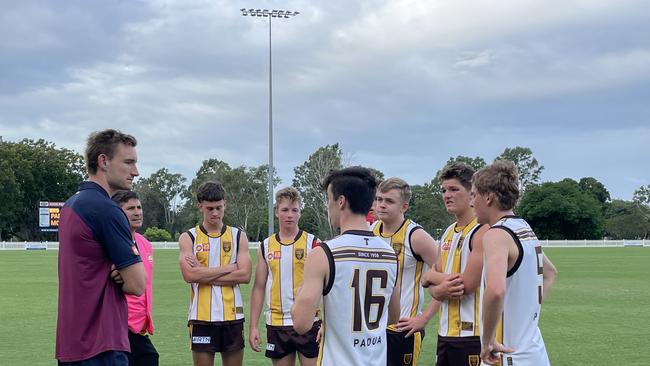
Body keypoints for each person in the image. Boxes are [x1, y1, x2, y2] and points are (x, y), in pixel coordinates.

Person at [291, 166, 401, 366]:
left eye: (328, 199)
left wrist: (300, 293)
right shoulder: (390, 253)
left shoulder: (324, 253)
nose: (328, 207)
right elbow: (393, 316)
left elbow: (301, 323)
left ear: (340, 201)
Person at [56, 129, 146, 365]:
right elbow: (137, 284)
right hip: (102, 344)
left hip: (70, 343)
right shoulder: (106, 209)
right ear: (103, 161)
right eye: (128, 162)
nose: (135, 171)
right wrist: (122, 273)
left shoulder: (70, 206)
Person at [471, 161, 557, 366]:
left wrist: (488, 339)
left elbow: (496, 290)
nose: (471, 202)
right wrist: (527, 314)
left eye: (474, 195)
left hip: (507, 356)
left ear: (488, 197)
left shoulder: (496, 235)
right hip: (534, 352)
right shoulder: (524, 227)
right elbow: (551, 272)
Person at [421, 163, 488, 366]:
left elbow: (465, 286)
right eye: (443, 190)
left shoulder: (482, 230)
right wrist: (437, 285)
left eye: (454, 189)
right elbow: (428, 280)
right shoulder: (449, 231)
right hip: (445, 333)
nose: (446, 195)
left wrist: (433, 279)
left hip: (473, 334)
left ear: (472, 194)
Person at [178, 181, 252, 366]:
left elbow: (244, 276)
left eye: (219, 207)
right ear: (200, 206)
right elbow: (189, 276)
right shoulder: (189, 237)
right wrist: (228, 267)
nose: (215, 213)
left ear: (225, 204)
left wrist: (202, 272)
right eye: (210, 208)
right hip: (201, 317)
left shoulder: (238, 236)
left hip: (233, 317)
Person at [249, 187, 322, 366]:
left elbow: (325, 287)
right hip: (277, 323)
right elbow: (258, 287)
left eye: (294, 210)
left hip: (309, 322)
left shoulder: (313, 243)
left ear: (300, 213)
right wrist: (253, 327)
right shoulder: (266, 246)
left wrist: (325, 323)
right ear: (276, 212)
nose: (289, 215)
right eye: (285, 210)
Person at [370, 177, 439, 366]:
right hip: (372, 329)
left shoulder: (416, 236)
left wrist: (423, 318)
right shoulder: (371, 231)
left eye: (389, 201)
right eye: (379, 199)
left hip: (403, 329)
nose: (381, 205)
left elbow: (446, 280)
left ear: (404, 207)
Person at [112, 190, 159, 366]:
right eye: (130, 208)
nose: (137, 212)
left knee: (149, 358)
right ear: (117, 213)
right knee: (150, 357)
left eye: (139, 207)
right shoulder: (111, 242)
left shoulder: (145, 243)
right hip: (118, 326)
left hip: (140, 328)